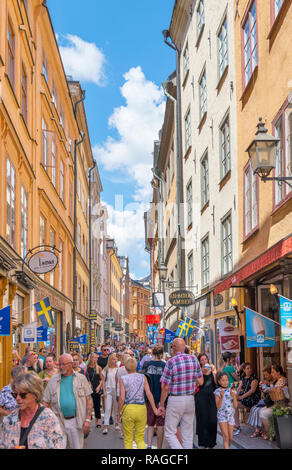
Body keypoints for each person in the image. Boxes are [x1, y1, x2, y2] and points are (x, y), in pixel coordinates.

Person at [158, 338, 203, 449]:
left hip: (175, 399)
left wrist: (161, 404)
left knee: (169, 432)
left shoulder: (171, 362)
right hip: (190, 399)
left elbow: (165, 387)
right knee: (187, 433)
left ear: (173, 348)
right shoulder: (193, 359)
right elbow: (201, 381)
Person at [0, 373, 66, 449]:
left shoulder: (48, 418)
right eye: (15, 394)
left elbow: (58, 445)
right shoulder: (9, 420)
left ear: (35, 394)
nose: (18, 398)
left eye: (22, 395)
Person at [43, 353, 93, 449]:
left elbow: (89, 400)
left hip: (76, 421)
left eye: (64, 364)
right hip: (58, 422)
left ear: (70, 364)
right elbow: (45, 402)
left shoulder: (81, 378)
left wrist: (87, 419)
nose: (61, 367)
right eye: (60, 364)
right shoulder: (53, 380)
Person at [118, 357, 160, 449]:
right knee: (140, 439)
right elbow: (149, 393)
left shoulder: (123, 378)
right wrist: (154, 409)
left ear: (125, 368)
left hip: (128, 408)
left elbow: (122, 397)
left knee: (128, 439)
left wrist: (119, 412)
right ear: (136, 366)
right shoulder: (143, 377)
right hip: (141, 408)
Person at [144, 343, 166, 450]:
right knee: (160, 424)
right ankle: (159, 447)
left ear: (152, 353)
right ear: (162, 353)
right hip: (161, 398)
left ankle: (148, 445)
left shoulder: (147, 364)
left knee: (150, 424)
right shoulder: (164, 365)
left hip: (150, 397)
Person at [259, 365, 289, 440]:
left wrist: (267, 389)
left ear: (278, 372)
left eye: (273, 372)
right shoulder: (279, 380)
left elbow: (276, 390)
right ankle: (269, 432)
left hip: (281, 405)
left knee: (263, 413)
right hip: (277, 404)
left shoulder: (282, 380)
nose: (272, 374)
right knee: (262, 411)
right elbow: (273, 389)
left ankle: (270, 434)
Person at [195, 353, 218, 449]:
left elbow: (216, 383)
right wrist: (201, 372)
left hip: (212, 398)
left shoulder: (212, 369)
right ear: (199, 362)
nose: (204, 361)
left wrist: (214, 372)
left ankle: (212, 443)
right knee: (203, 420)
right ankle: (205, 444)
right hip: (201, 398)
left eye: (205, 359)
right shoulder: (198, 371)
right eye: (202, 360)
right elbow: (197, 384)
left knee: (213, 420)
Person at [234, 362, 261, 435]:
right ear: (244, 370)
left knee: (235, 404)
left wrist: (240, 397)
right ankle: (237, 425)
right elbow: (239, 389)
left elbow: (252, 391)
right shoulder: (243, 379)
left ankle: (237, 425)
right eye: (247, 368)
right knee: (233, 403)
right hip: (245, 397)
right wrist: (236, 396)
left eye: (250, 368)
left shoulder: (254, 379)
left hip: (252, 398)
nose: (249, 370)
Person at [214, 371, 238, 449]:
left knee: (230, 438)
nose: (225, 382)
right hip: (222, 416)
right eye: (223, 380)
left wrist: (234, 396)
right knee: (226, 436)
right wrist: (221, 397)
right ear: (219, 381)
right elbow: (218, 407)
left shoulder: (232, 390)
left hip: (231, 416)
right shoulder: (217, 392)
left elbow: (235, 406)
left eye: (226, 380)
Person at [248, 365, 273, 438]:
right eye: (265, 375)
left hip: (271, 403)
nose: (266, 376)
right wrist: (263, 389)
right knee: (254, 408)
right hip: (267, 401)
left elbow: (270, 392)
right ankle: (259, 430)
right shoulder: (268, 381)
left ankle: (258, 431)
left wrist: (266, 388)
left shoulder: (273, 382)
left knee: (257, 410)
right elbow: (265, 393)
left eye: (266, 375)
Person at [85, 353, 104, 428]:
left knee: (97, 405)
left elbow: (102, 379)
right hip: (89, 388)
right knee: (89, 406)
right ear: (91, 358)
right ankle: (88, 420)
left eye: (97, 358)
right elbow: (84, 378)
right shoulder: (86, 368)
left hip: (96, 388)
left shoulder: (98, 368)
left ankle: (97, 422)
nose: (96, 359)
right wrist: (87, 383)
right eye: (94, 358)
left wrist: (99, 386)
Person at [102, 353, 119, 434]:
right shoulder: (106, 369)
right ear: (110, 360)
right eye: (113, 359)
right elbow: (102, 381)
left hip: (116, 390)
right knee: (108, 408)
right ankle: (105, 426)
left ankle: (116, 424)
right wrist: (104, 391)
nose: (115, 361)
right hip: (108, 389)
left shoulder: (118, 369)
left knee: (116, 408)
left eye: (116, 359)